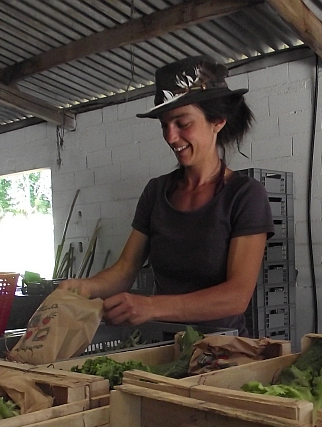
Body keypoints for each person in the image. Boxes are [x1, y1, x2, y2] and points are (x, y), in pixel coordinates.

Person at [59, 55, 274, 336]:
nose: (171, 137)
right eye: (164, 125)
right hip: (165, 349)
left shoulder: (245, 196)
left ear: (218, 121)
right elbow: (124, 270)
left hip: (222, 353)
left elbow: (236, 296)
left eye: (182, 123)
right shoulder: (156, 192)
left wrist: (151, 306)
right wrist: (84, 287)